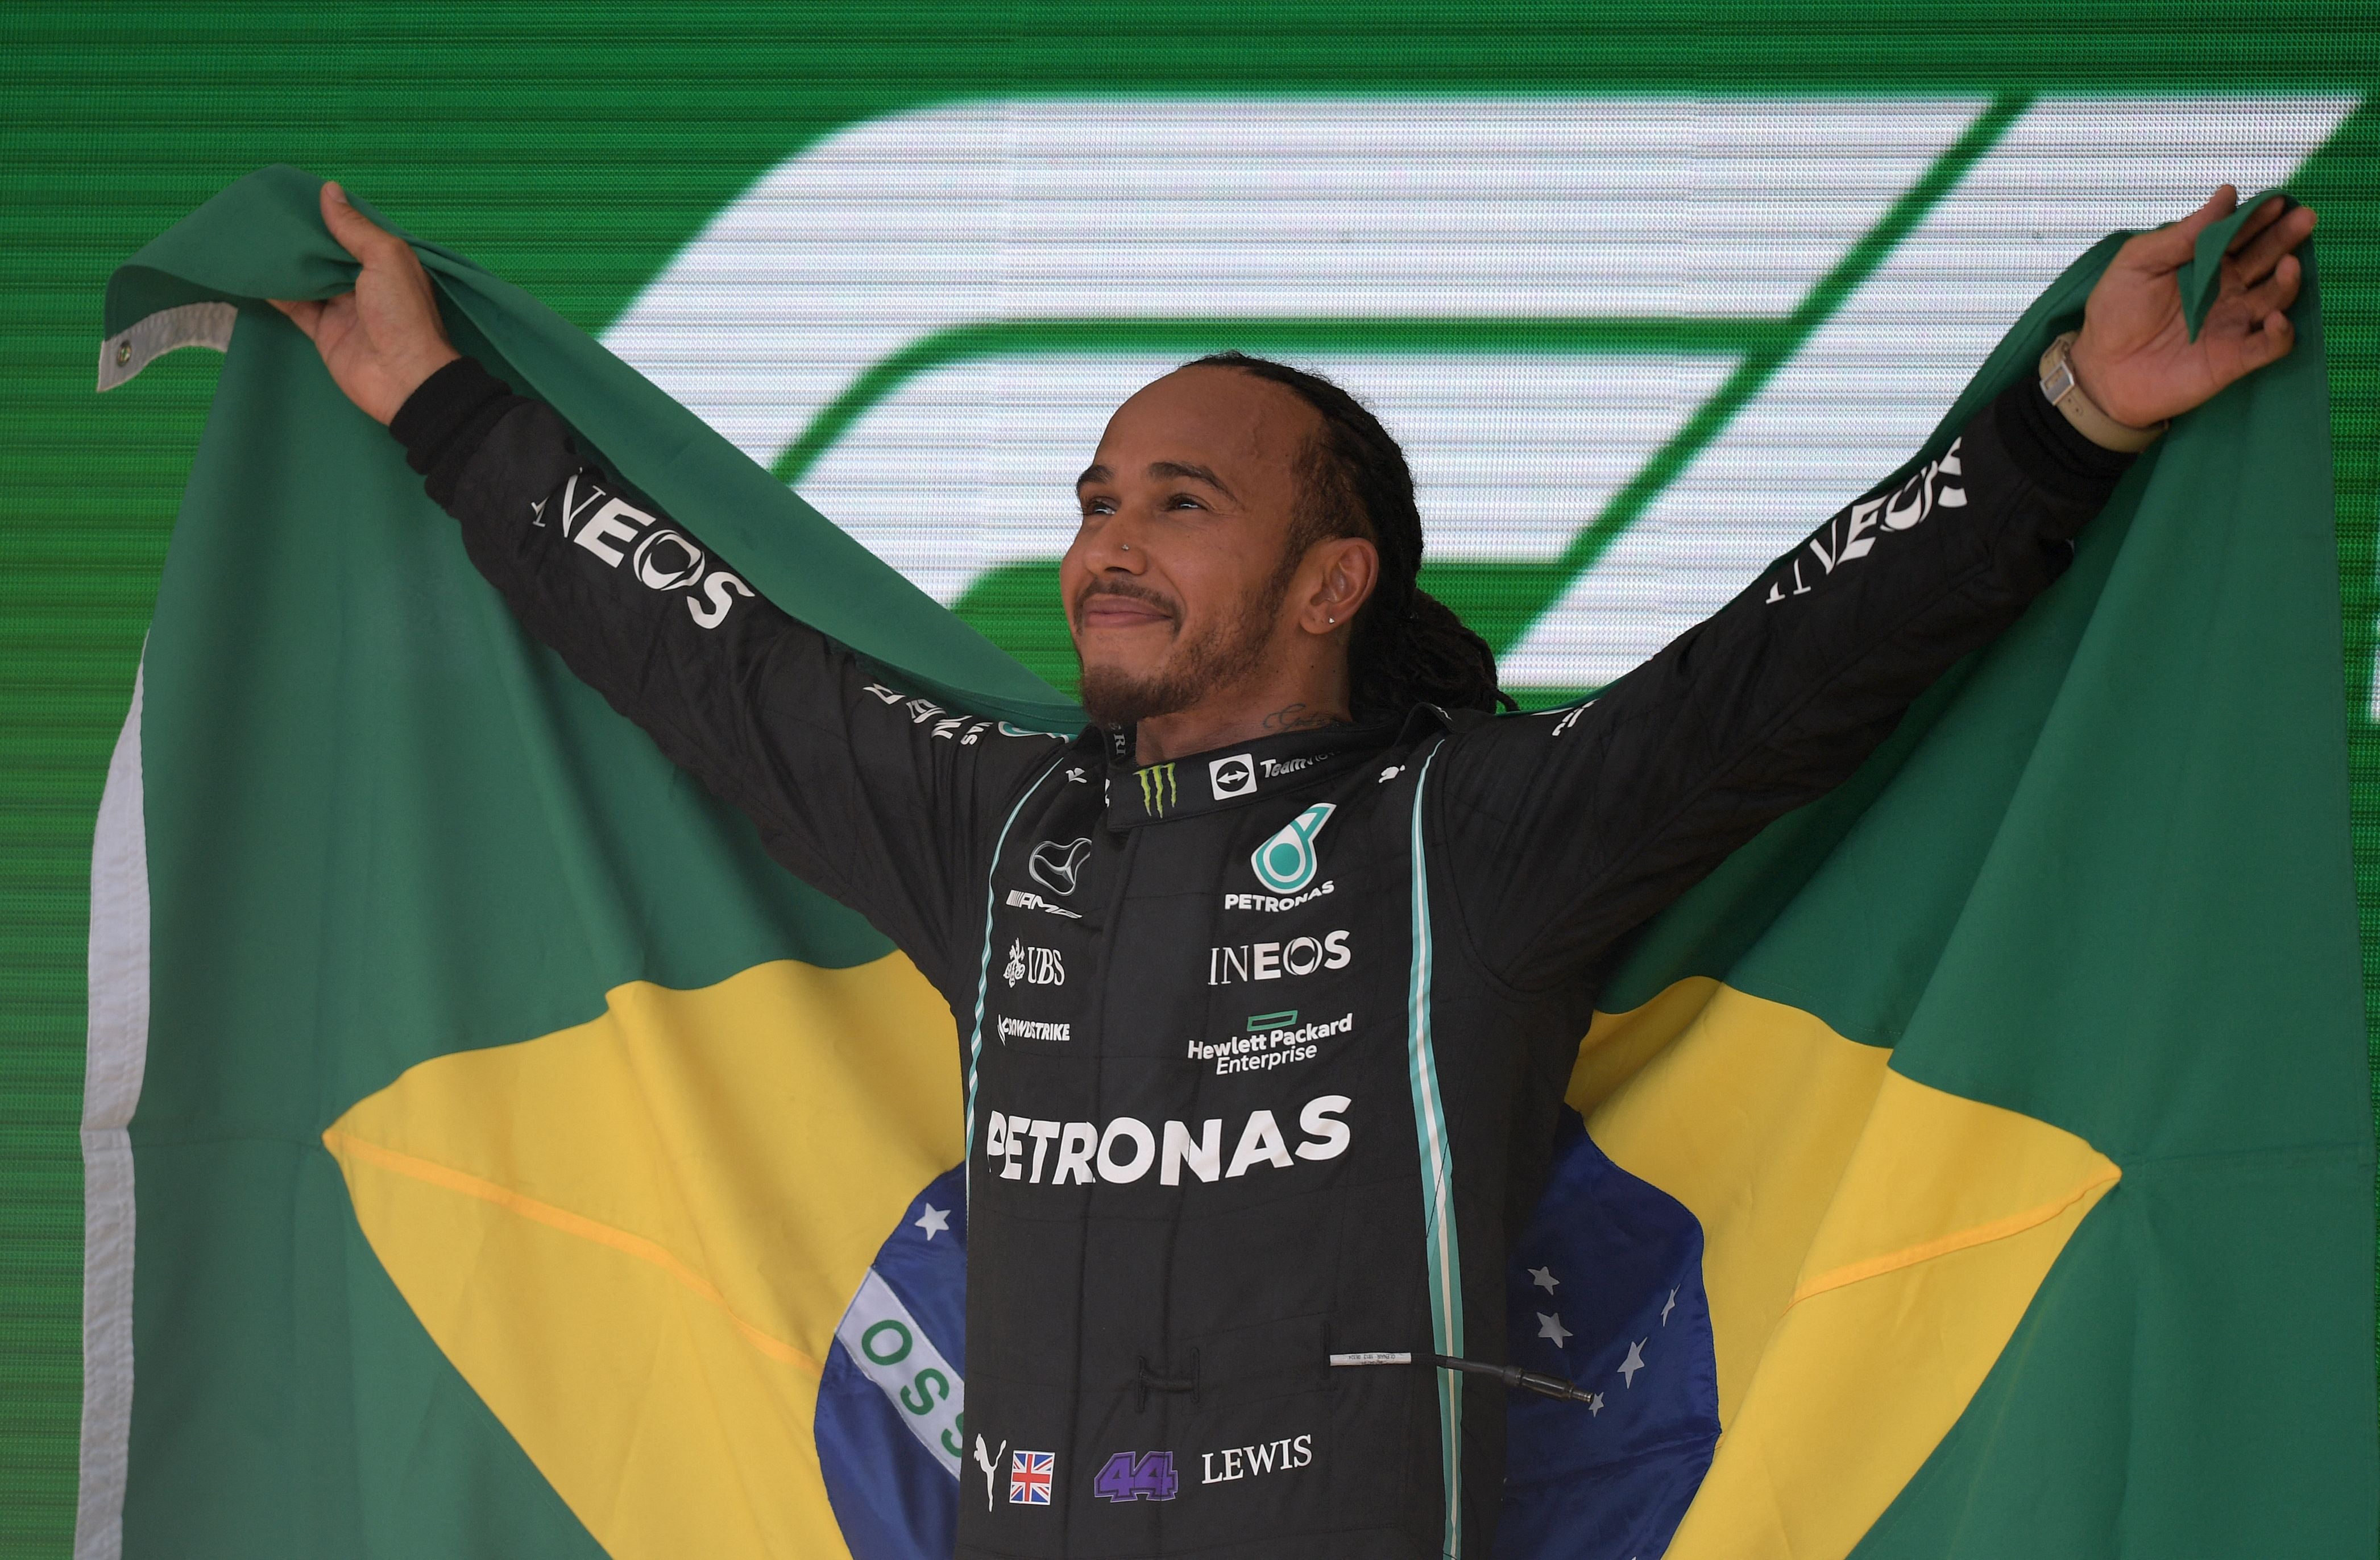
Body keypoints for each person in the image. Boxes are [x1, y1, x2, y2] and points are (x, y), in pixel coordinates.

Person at [276, 178, 2313, 1559]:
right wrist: (437, 407)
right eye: (1092, 498)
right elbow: (702, 648)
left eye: (1181, 498)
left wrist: (2060, 429)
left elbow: (1783, 664)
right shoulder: (997, 829)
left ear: (1333, 577)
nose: (1106, 539)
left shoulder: (1475, 831)